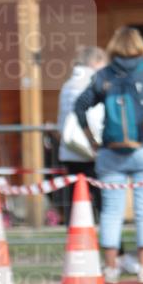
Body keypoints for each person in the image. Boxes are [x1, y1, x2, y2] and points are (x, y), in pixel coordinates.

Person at [74, 26, 143, 284]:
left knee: (111, 211)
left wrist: (92, 140)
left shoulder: (104, 75)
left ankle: (111, 268)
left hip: (111, 152)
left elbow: (80, 106)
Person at [56, 45, 107, 225]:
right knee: (102, 198)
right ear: (95, 62)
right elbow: (95, 116)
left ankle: (76, 237)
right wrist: (96, 140)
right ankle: (109, 239)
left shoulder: (68, 85)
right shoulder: (94, 83)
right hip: (91, 148)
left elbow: (61, 120)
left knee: (75, 198)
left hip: (69, 149)